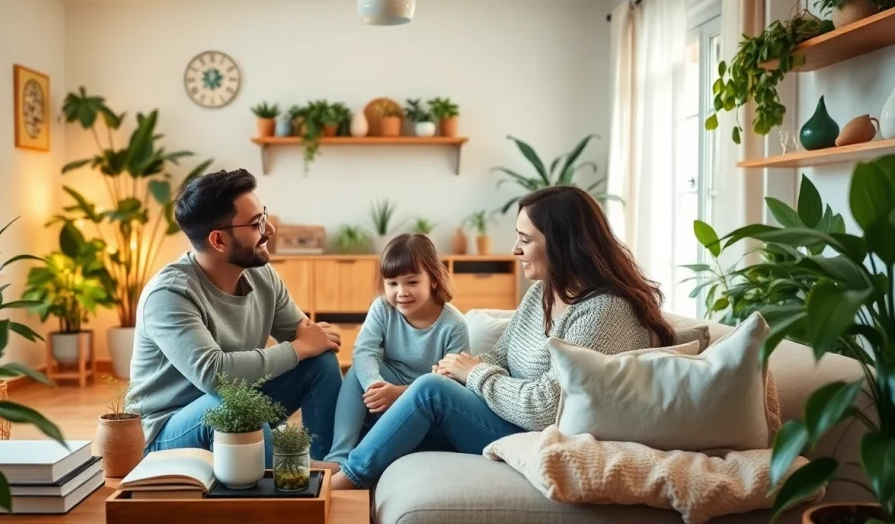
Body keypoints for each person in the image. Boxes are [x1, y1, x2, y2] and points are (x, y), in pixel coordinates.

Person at [329, 186, 675, 489]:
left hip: (537, 435)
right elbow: (502, 357)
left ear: (561, 245)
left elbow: (548, 407)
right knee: (403, 392)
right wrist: (457, 370)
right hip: (507, 417)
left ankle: (348, 479)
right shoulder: (542, 293)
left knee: (429, 392)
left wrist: (474, 374)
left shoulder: (602, 312)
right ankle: (332, 459)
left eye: (525, 240)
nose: (515, 249)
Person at [130, 168, 343, 467]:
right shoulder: (168, 295)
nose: (269, 230)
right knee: (233, 403)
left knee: (319, 363)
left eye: (264, 216)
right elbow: (214, 375)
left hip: (237, 400)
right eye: (257, 223)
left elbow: (306, 335)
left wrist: (314, 342)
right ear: (218, 240)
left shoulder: (261, 273)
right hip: (168, 431)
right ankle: (294, 476)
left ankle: (333, 467)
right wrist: (299, 348)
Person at [323, 234, 470, 465]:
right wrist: (375, 385)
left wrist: (399, 393)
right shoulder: (382, 308)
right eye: (392, 284)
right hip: (386, 387)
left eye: (412, 282)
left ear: (433, 279)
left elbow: (453, 383)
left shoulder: (454, 325)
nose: (401, 292)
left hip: (426, 401)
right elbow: (364, 352)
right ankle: (338, 457)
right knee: (355, 373)